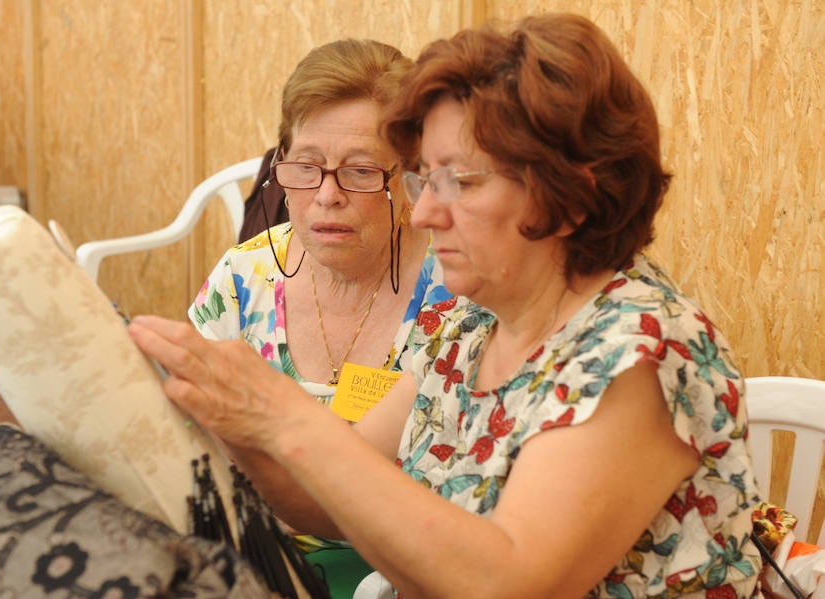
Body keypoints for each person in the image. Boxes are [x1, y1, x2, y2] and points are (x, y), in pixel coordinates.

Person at [130, 13, 762, 597]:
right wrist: (230, 417)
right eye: (424, 180)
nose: (426, 212)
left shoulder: (640, 351)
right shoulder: (470, 323)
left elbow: (505, 583)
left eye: (459, 181)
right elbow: (328, 503)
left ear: (569, 196)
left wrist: (283, 418)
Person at [187, 38, 451, 594]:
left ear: (409, 178)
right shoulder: (245, 277)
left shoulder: (455, 294)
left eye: (359, 172)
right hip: (248, 562)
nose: (326, 195)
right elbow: (186, 438)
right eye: (305, 167)